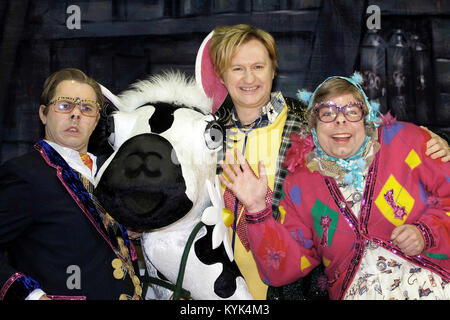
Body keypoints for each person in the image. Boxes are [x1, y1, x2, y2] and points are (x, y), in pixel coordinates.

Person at [201, 24, 450, 300]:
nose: (339, 120)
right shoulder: (202, 133)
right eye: (237, 68)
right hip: (213, 280)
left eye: (258, 66)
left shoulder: (304, 124)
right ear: (222, 75)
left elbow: (374, 138)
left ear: (273, 70)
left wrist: (438, 141)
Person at [0, 68, 142, 300]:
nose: (76, 114)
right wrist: (32, 296)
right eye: (65, 105)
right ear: (44, 114)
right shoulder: (24, 173)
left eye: (86, 108)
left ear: (96, 120)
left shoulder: (111, 172)